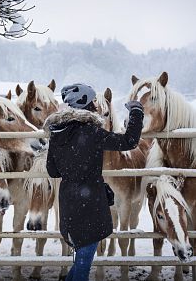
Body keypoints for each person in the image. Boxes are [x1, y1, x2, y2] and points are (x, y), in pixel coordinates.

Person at [44, 83, 144, 281]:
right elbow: (129, 142)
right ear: (88, 106)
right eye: (93, 103)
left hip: (68, 202)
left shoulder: (57, 134)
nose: (97, 107)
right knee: (83, 262)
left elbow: (53, 171)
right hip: (90, 204)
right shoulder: (93, 133)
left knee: (81, 258)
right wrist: (136, 112)